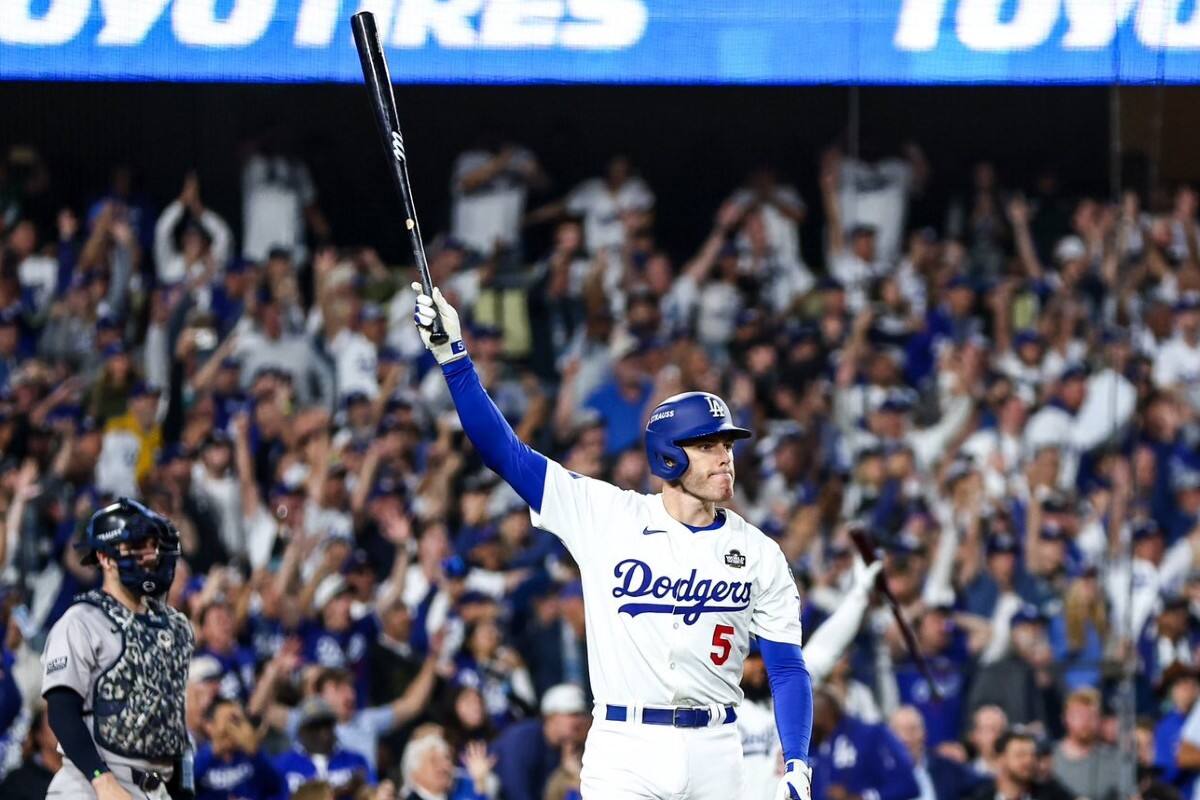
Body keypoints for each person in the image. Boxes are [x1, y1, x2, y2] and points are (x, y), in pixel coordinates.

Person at [412, 284, 814, 798]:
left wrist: (797, 764)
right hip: (626, 747)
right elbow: (505, 454)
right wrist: (455, 359)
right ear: (669, 456)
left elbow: (785, 666)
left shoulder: (760, 552)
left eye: (727, 445)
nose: (724, 458)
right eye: (708, 445)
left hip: (718, 746)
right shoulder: (608, 515)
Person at [40, 497, 194, 800]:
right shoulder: (81, 621)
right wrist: (102, 781)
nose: (150, 555)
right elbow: (61, 712)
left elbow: (171, 724)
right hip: (91, 786)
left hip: (154, 789)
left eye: (153, 545)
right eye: (137, 546)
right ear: (105, 558)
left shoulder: (171, 627)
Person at [808, 689, 921, 800]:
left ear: (829, 710)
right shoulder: (808, 747)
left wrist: (863, 797)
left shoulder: (869, 735)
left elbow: (907, 785)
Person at [490, 683, 589, 800]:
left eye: (582, 715)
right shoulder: (523, 738)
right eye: (573, 715)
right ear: (551, 716)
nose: (579, 721)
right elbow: (515, 792)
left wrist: (571, 774)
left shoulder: (574, 747)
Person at [274, 698, 374, 799]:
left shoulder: (356, 761)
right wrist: (340, 790)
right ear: (302, 731)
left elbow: (374, 794)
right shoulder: (282, 765)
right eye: (316, 726)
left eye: (327, 725)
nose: (324, 733)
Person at [193, 698, 283, 800]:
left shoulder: (252, 755)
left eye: (239, 720)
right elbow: (185, 786)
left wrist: (254, 752)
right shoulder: (199, 756)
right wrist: (215, 751)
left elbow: (276, 786)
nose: (235, 727)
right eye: (231, 719)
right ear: (209, 726)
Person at [889, 705, 985, 800]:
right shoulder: (879, 776)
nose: (906, 738)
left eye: (912, 730)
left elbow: (985, 784)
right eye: (899, 731)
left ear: (924, 734)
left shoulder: (946, 769)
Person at [0, 706, 61, 800]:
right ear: (39, 735)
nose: (64, 728)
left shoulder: (81, 774)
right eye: (53, 721)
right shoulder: (18, 782)